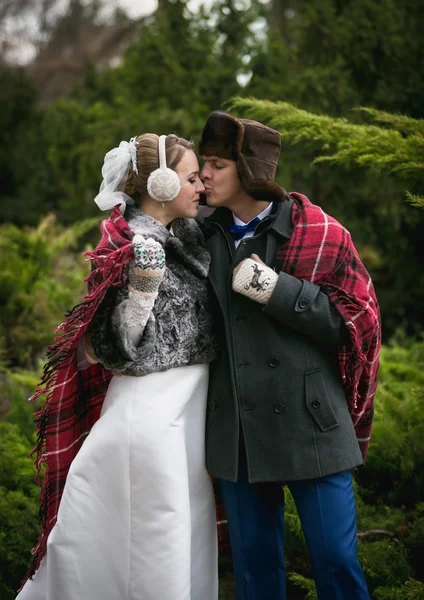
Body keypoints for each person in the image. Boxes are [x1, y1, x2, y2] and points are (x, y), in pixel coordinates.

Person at [17, 133, 218, 600]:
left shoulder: (187, 235)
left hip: (187, 416)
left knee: (185, 533)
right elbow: (107, 346)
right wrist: (140, 298)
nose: (200, 187)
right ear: (162, 183)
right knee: (151, 541)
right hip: (150, 414)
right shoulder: (128, 243)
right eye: (190, 178)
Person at [198, 111, 381, 600]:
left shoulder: (320, 230)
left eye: (216, 164)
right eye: (203, 163)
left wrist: (276, 289)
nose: (204, 174)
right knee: (256, 575)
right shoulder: (195, 235)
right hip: (238, 431)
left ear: (248, 168)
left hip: (311, 423)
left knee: (336, 564)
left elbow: (354, 324)